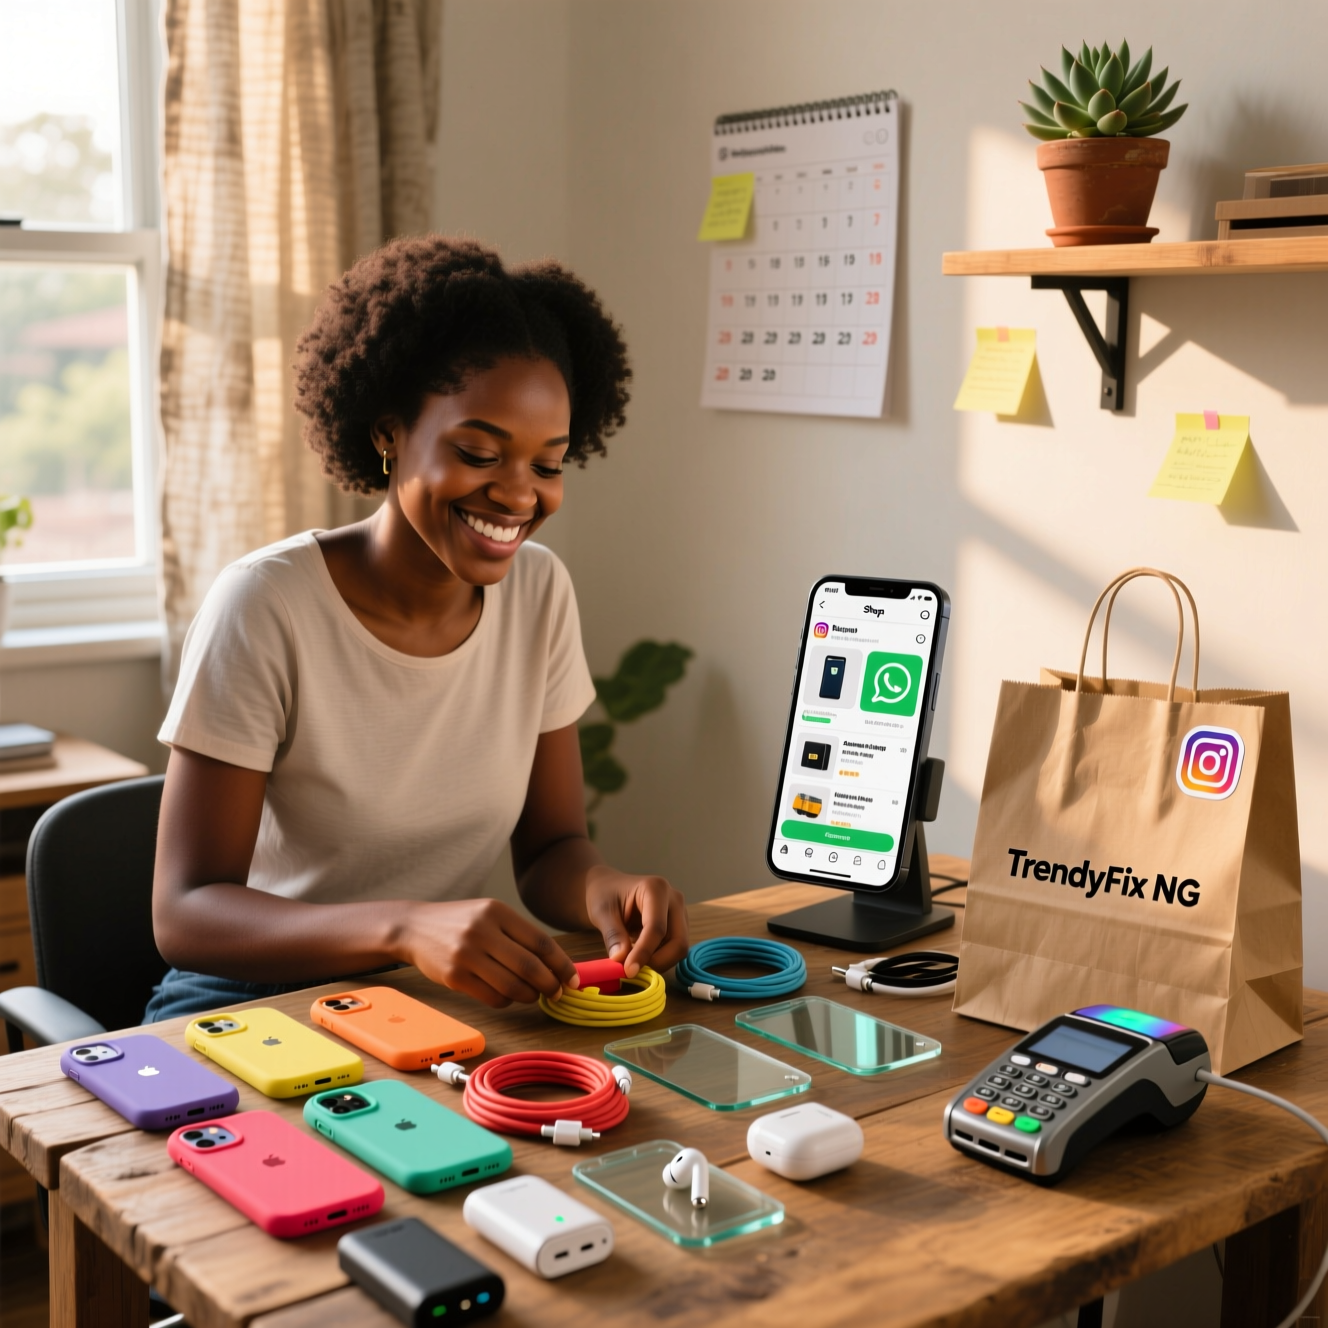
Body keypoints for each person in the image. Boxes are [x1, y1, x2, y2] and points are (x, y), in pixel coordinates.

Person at [145, 235, 689, 1022]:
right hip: (257, 1003)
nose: (516, 497)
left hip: (432, 1002)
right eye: (478, 452)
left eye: (548, 465)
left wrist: (605, 887)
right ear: (388, 431)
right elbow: (186, 913)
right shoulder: (266, 605)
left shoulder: (539, 592)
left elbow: (549, 851)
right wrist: (402, 928)